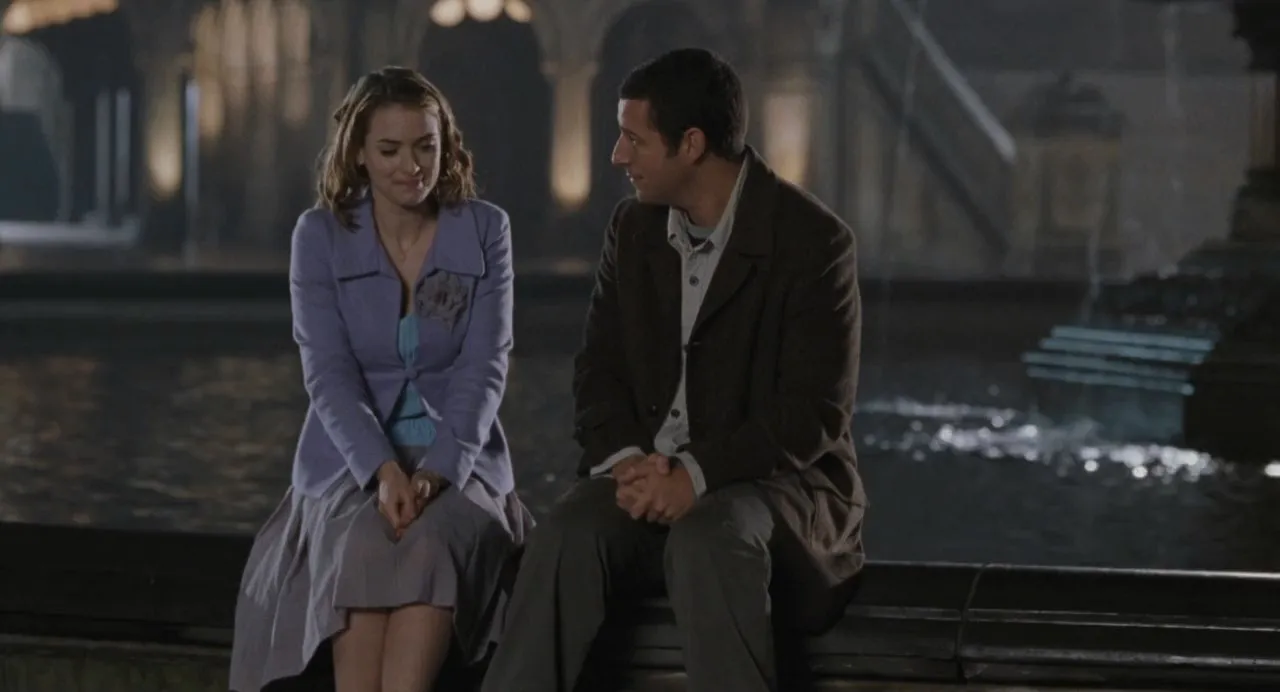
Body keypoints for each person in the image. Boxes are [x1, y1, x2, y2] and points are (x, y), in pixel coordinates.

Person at [480, 48, 867, 692]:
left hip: (776, 488)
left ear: (691, 145)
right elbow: (598, 371)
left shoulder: (814, 242)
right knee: (567, 531)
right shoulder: (633, 228)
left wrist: (694, 473)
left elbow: (813, 415)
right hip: (648, 474)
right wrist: (629, 459)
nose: (617, 156)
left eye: (634, 139)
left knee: (709, 539)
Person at [229, 66, 533, 692]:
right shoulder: (318, 236)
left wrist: (437, 472)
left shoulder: (486, 229)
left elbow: (485, 367)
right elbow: (328, 373)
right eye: (390, 150)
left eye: (426, 146)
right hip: (352, 466)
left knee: (431, 544)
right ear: (359, 154)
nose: (411, 166)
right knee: (365, 541)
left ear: (446, 146)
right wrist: (383, 471)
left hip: (459, 464)